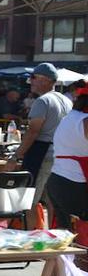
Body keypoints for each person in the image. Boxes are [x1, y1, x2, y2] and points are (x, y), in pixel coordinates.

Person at [7, 62, 72, 220]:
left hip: (42, 153)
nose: (30, 81)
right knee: (53, 200)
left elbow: (33, 133)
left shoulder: (43, 101)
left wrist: (14, 157)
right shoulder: (66, 101)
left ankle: (28, 237)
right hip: (60, 154)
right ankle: (53, 236)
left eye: (33, 77)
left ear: (45, 80)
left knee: (28, 200)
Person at [48, 86, 88, 232]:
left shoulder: (69, 118)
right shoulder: (85, 121)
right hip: (76, 185)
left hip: (57, 181)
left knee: (65, 235)